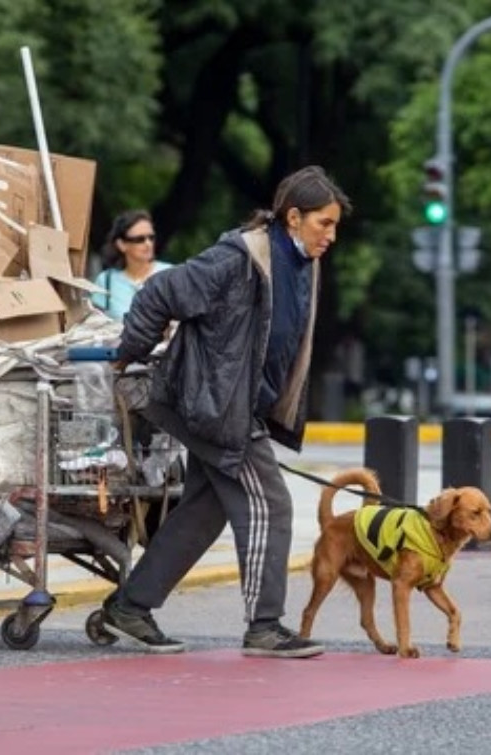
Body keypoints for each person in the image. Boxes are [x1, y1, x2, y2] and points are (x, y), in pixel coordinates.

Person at [99, 165, 352, 659]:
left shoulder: (302, 263)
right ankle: (264, 626)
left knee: (203, 509)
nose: (332, 235)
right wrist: (130, 352)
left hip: (235, 405)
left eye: (335, 225)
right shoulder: (239, 258)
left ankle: (129, 607)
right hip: (212, 405)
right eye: (325, 223)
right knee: (271, 504)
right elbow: (160, 292)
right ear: (294, 217)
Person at [90, 210, 173, 321]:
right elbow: (95, 323)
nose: (148, 244)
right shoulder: (105, 280)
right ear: (122, 245)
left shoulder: (170, 274)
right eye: (139, 239)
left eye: (151, 237)